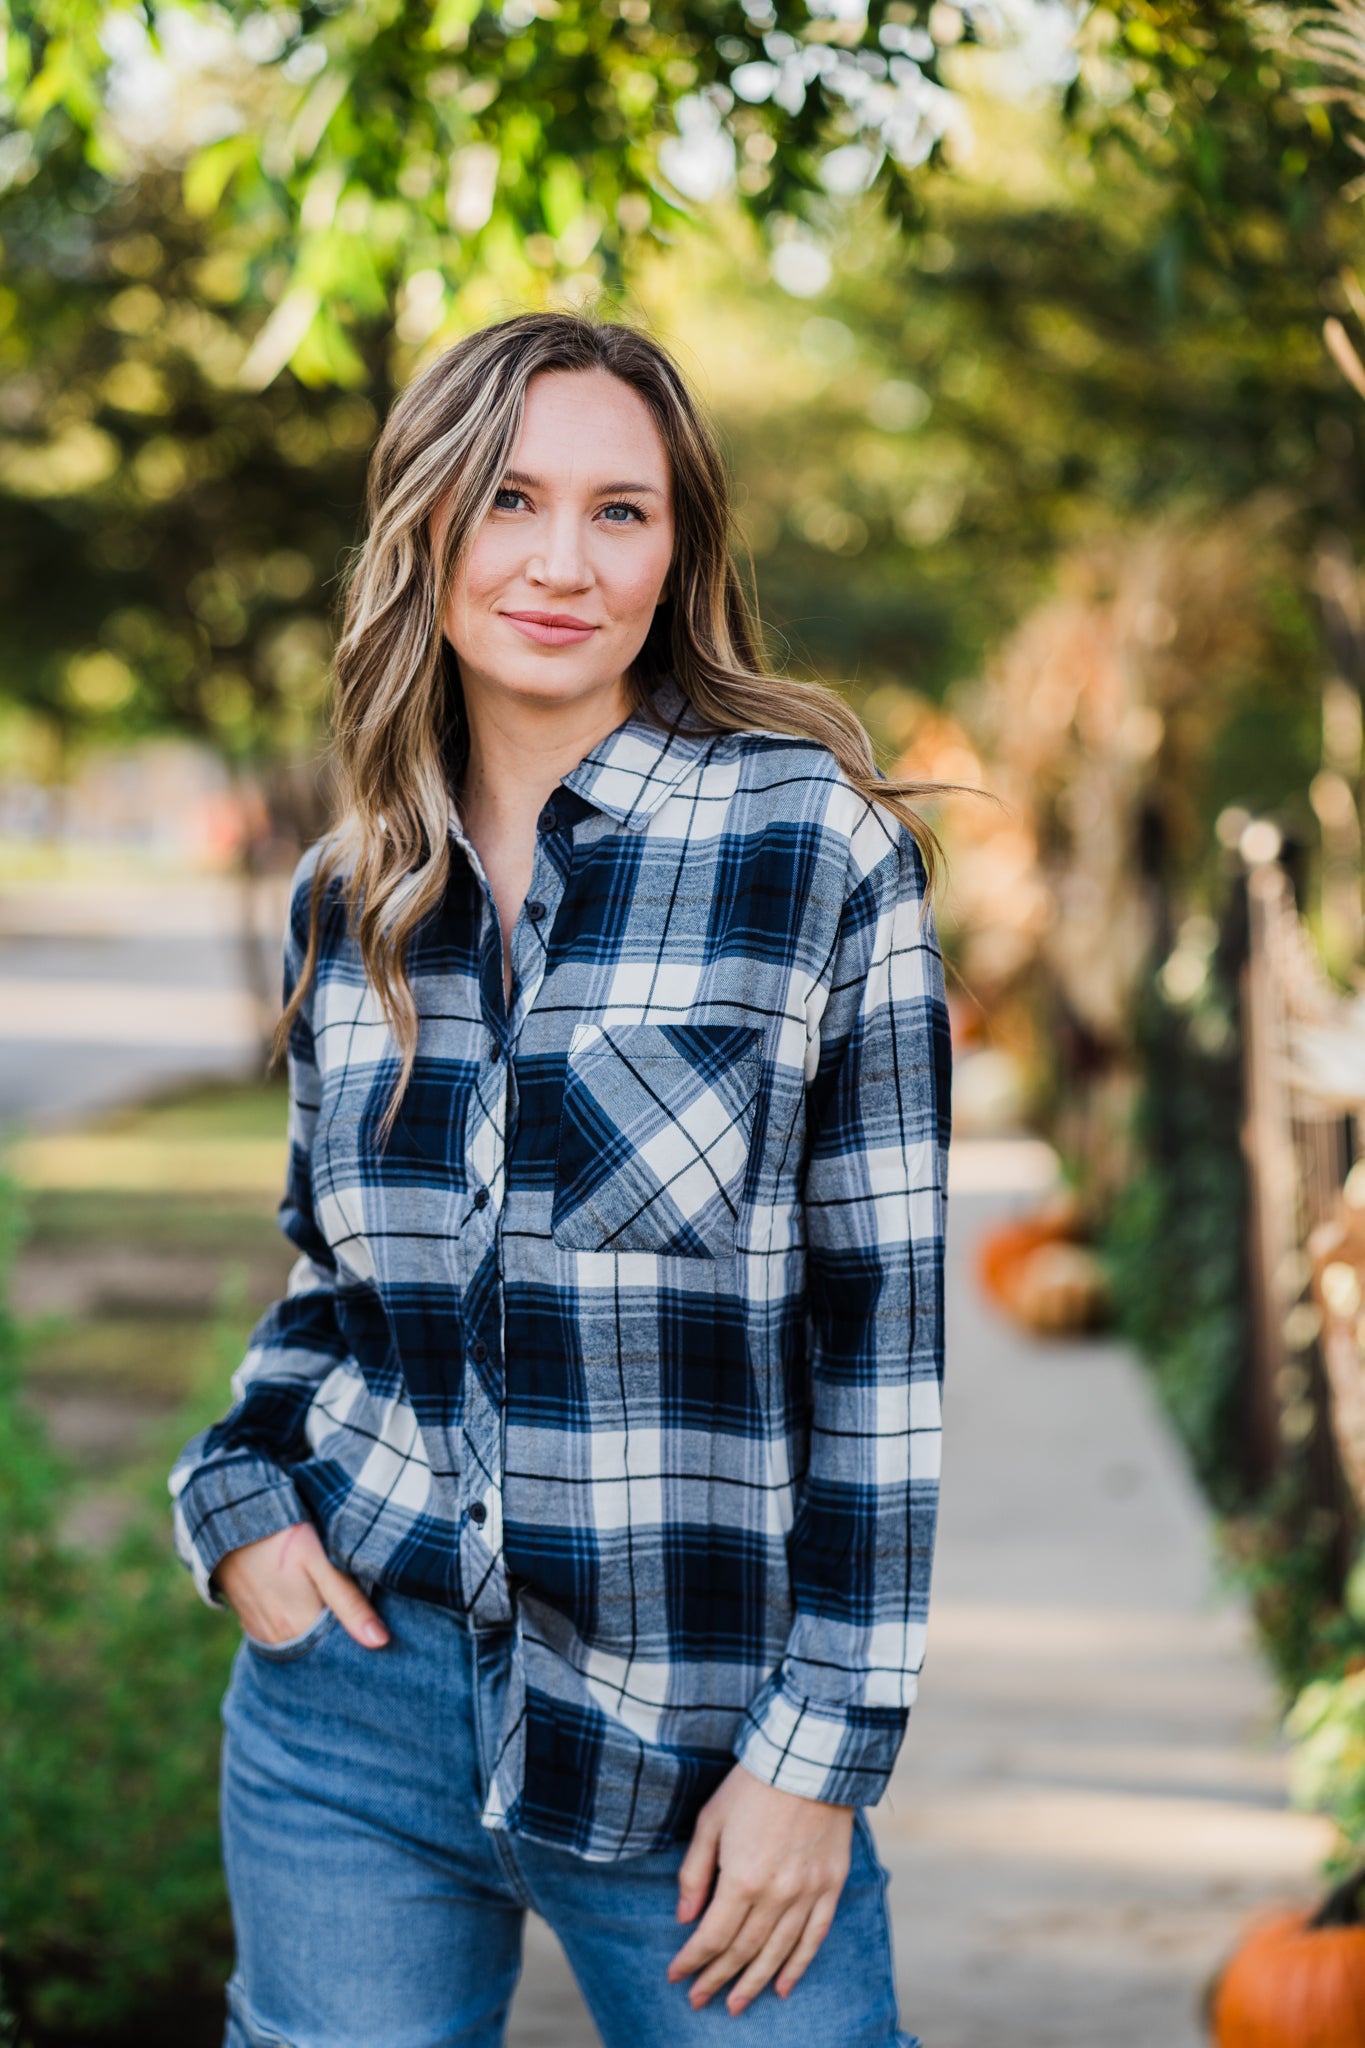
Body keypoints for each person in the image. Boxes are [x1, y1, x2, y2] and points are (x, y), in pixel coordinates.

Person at [170, 307, 952, 2048]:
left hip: (691, 1746)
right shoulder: (345, 890)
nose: (561, 561)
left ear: (678, 555)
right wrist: (238, 1512)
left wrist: (818, 1757)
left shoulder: (813, 852)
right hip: (350, 1713)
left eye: (622, 511)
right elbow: (330, 1287)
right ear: (426, 530)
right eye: (509, 500)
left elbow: (880, 1348)